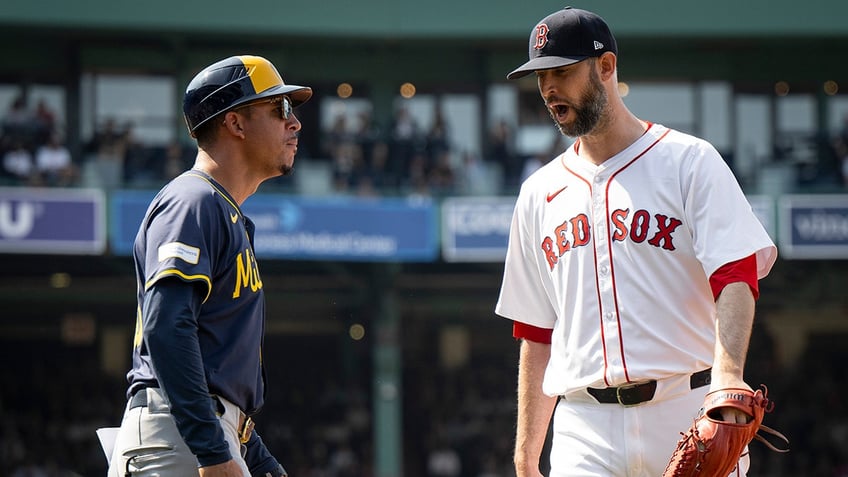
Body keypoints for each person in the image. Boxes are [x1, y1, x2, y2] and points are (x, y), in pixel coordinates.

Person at [494, 7, 777, 477]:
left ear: (605, 67)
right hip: (584, 425)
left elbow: (735, 276)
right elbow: (536, 331)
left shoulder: (688, 161)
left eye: (561, 72)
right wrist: (526, 454)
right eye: (541, 76)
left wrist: (727, 377)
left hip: (684, 405)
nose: (548, 90)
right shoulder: (537, 193)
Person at [107, 55, 312, 477]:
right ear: (235, 124)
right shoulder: (192, 199)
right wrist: (211, 449)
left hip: (204, 434)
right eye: (280, 109)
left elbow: (215, 368)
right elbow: (167, 325)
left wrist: (259, 459)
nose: (295, 124)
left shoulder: (223, 211)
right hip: (180, 438)